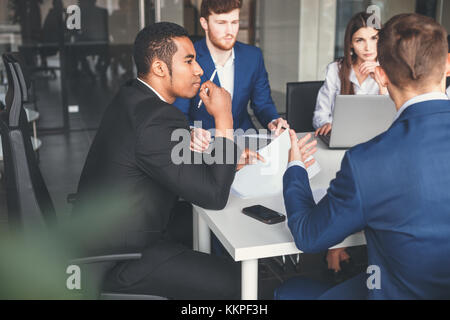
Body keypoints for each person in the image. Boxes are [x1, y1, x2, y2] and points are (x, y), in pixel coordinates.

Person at [74, 22, 260, 300]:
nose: (199, 70)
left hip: (116, 228)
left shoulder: (133, 96)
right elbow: (214, 196)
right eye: (189, 61)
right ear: (160, 68)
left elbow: (159, 156)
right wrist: (224, 118)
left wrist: (225, 159)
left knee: (224, 228)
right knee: (242, 283)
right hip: (122, 257)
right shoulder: (156, 118)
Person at [277, 13, 450, 299]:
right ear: (447, 65)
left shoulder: (366, 163)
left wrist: (295, 166)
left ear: (382, 75)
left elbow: (308, 235)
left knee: (288, 292)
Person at [174, 0, 288, 153]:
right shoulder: (188, 59)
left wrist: (273, 121)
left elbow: (263, 103)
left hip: (247, 139)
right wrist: (191, 132)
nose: (230, 31)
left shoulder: (253, 56)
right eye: (221, 23)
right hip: (206, 146)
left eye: (234, 22)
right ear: (204, 23)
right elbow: (178, 114)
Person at [314, 12, 387, 137]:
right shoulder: (335, 69)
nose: (368, 47)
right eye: (360, 40)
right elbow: (320, 114)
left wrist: (382, 84)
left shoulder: (392, 70)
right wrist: (328, 125)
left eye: (374, 38)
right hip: (342, 137)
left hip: (378, 139)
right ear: (350, 44)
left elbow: (394, 118)